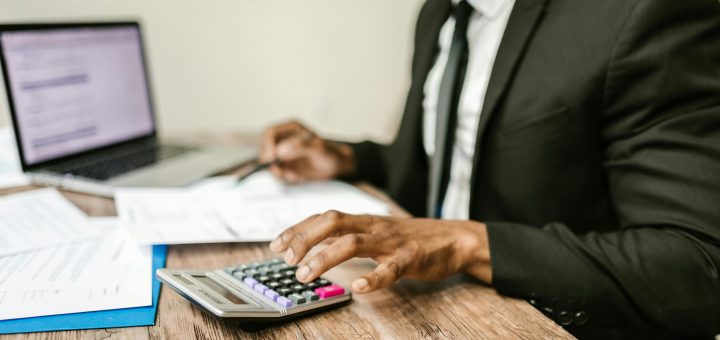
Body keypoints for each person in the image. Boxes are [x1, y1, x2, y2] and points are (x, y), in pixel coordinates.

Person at [259, 0, 720, 338]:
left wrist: (468, 243)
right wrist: (348, 158)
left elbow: (699, 264)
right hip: (429, 309)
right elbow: (445, 162)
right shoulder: (439, 13)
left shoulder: (642, 13)